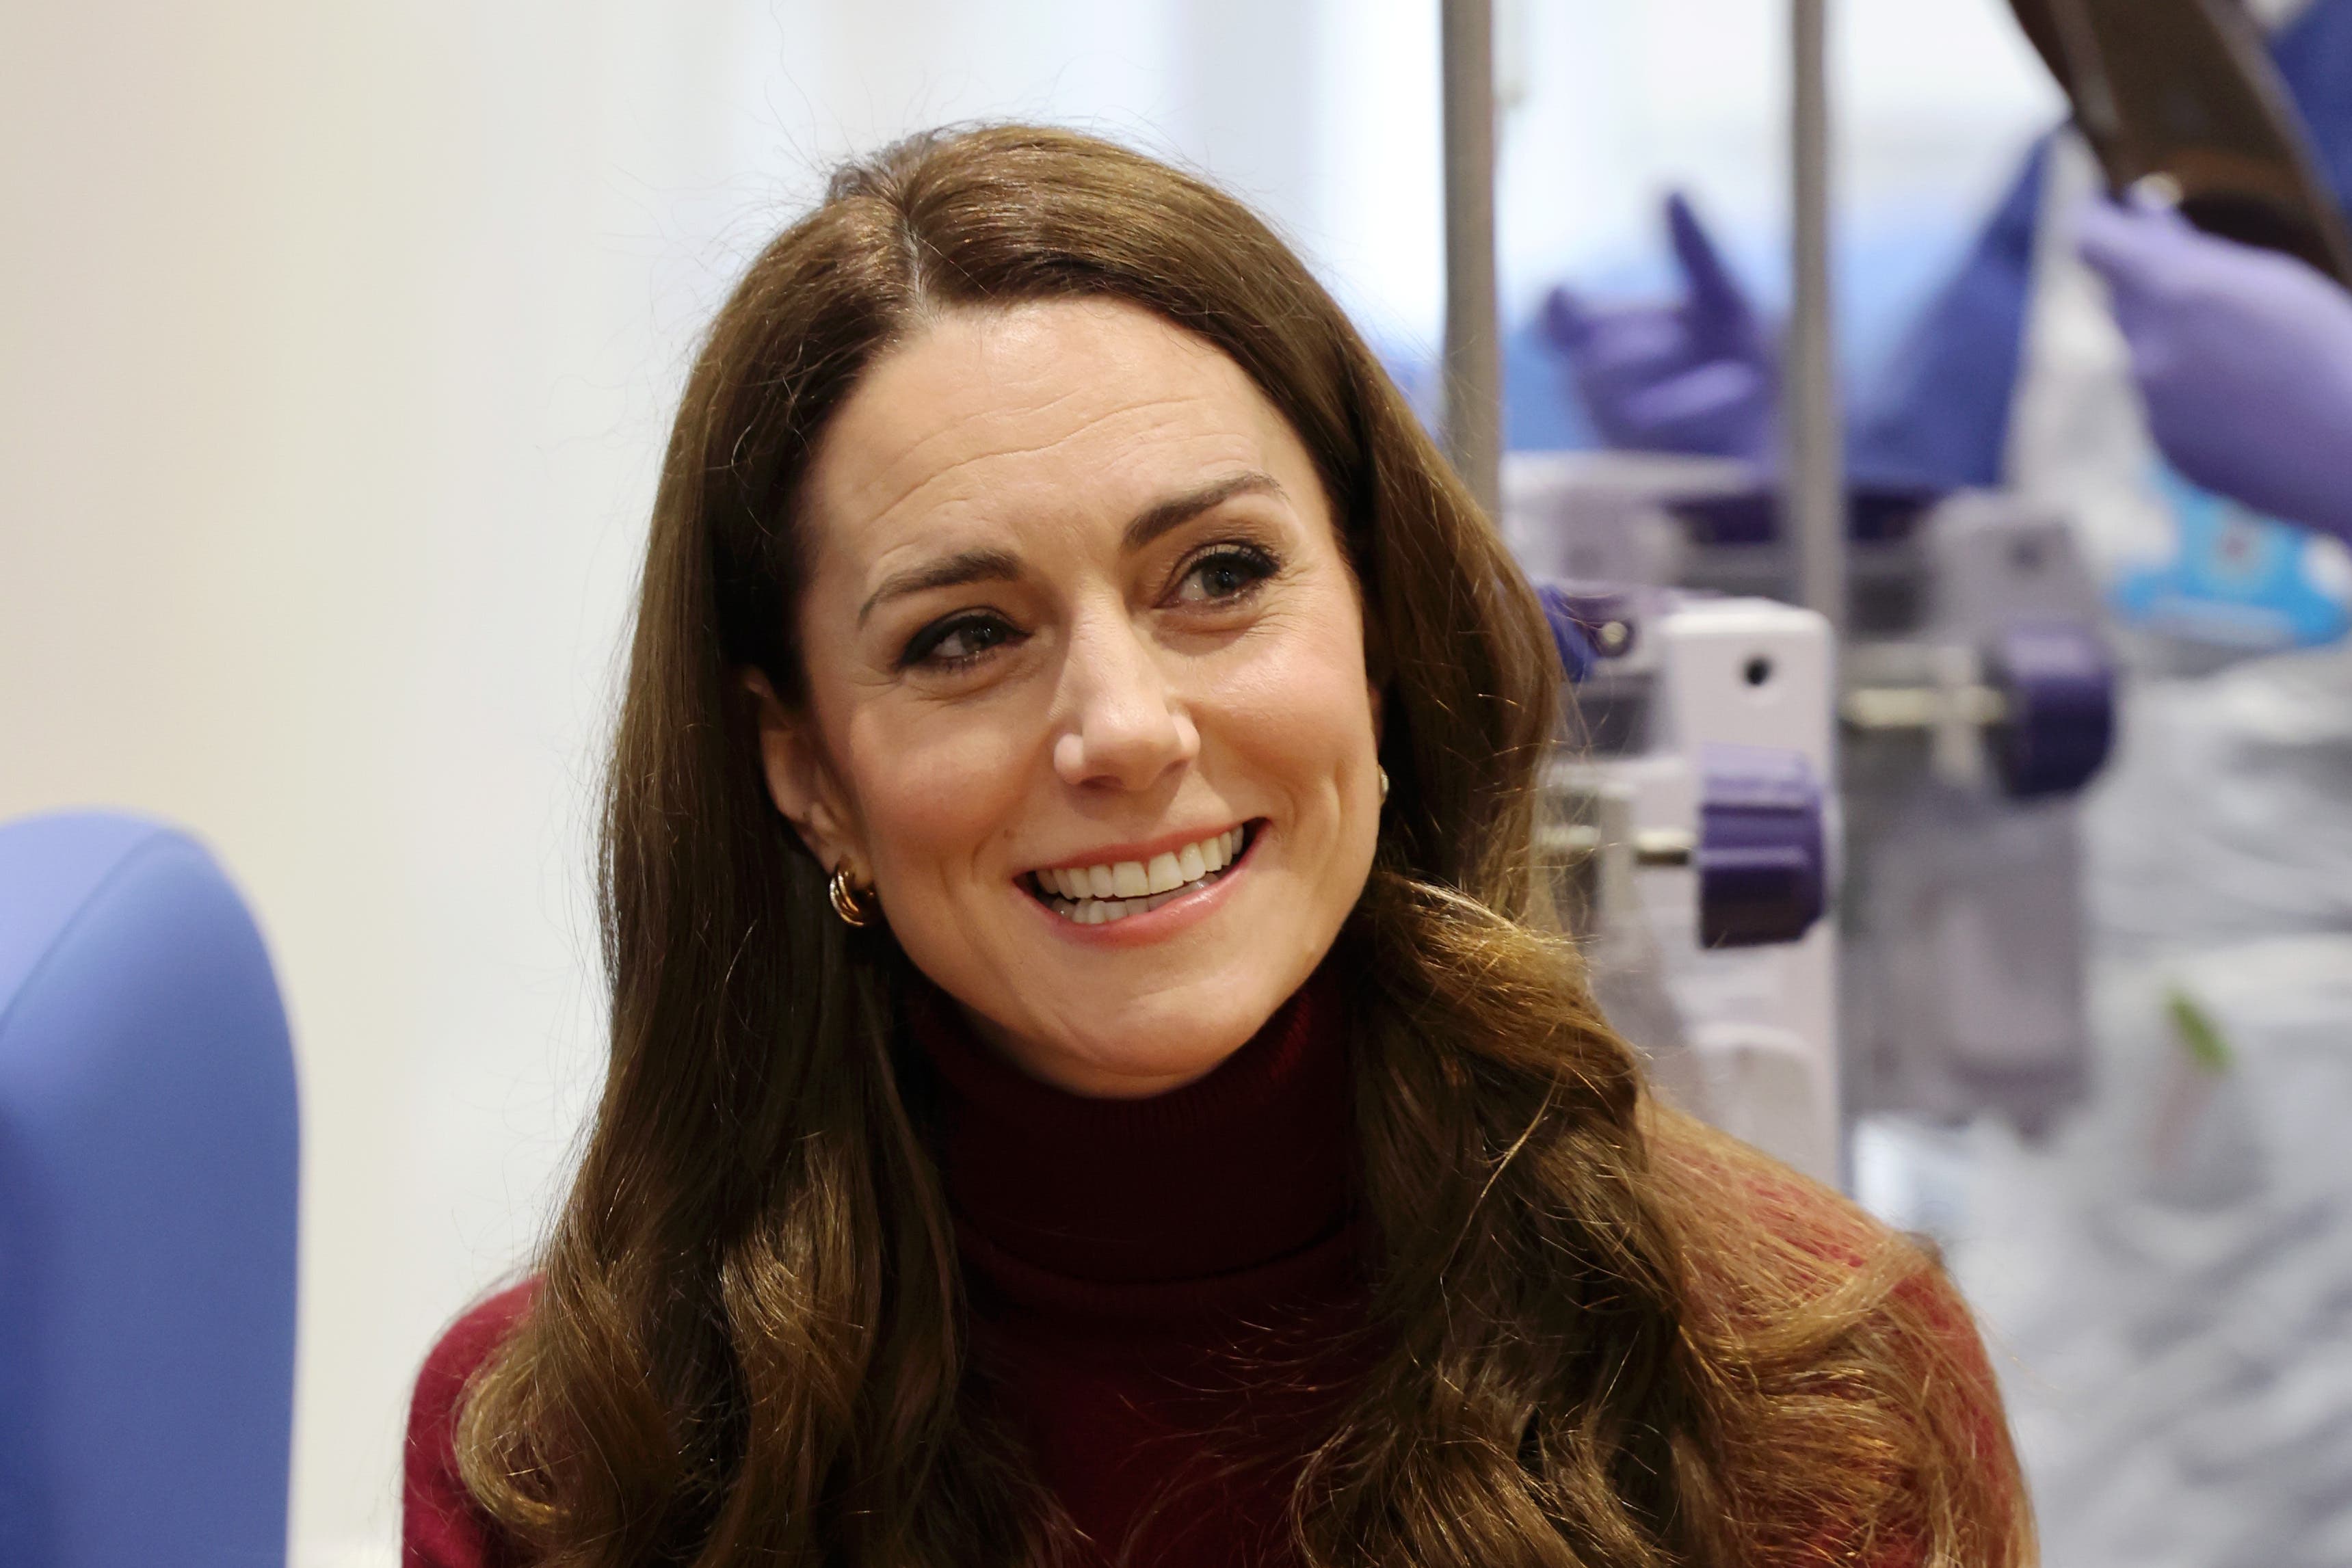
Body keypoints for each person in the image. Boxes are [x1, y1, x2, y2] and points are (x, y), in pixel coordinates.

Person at [401, 125, 2028, 1568]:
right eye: (966, 634)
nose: (1123, 728)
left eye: (1222, 574)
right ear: (808, 770)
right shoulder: (573, 1461)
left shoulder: (1810, 1391)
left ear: (1382, 633)